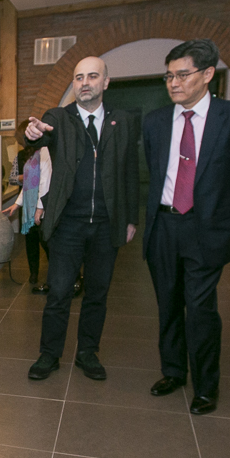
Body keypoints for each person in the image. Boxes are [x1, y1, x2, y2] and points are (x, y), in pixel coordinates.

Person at [143, 39, 230, 415]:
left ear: (208, 74)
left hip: (205, 226)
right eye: (168, 76)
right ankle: (173, 371)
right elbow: (155, 169)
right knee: (168, 304)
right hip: (164, 225)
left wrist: (214, 202)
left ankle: (206, 386)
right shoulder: (156, 121)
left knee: (200, 308)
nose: (173, 83)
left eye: (182, 75)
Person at [19, 56, 141, 381]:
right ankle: (49, 354)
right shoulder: (59, 118)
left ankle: (87, 352)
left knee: (97, 294)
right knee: (59, 293)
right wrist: (32, 133)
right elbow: (37, 136)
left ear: (106, 82)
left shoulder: (122, 121)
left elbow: (130, 170)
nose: (84, 83)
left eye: (92, 76)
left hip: (106, 224)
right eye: (78, 77)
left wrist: (130, 218)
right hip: (68, 224)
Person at [3, 122, 52, 293]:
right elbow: (26, 184)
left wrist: (40, 207)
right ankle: (34, 275)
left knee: (48, 244)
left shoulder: (45, 151)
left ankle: (61, 277)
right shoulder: (27, 155)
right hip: (30, 207)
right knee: (31, 243)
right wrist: (17, 204)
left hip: (43, 207)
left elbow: (45, 181)